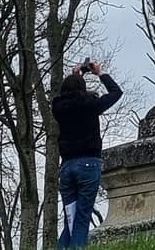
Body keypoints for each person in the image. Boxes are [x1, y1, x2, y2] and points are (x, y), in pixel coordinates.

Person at [51, 58, 121, 247]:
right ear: (82, 88)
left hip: (67, 167)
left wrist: (76, 76)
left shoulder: (58, 108)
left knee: (70, 219)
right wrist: (100, 73)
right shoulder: (91, 104)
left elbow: (65, 98)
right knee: (81, 219)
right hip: (88, 164)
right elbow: (116, 93)